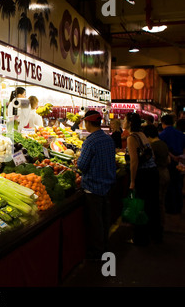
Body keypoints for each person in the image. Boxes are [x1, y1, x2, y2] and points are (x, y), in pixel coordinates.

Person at [77, 110, 117, 259]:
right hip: (107, 185)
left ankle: (97, 251)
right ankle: (105, 244)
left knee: (95, 222)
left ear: (87, 123)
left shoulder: (90, 141)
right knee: (105, 218)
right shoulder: (108, 139)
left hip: (93, 188)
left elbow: (82, 165)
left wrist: (78, 162)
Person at [123, 112, 162, 245]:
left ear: (129, 123)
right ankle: (155, 234)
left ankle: (140, 238)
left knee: (139, 207)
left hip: (143, 175)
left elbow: (134, 162)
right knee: (151, 205)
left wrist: (133, 181)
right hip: (152, 172)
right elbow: (152, 156)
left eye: (124, 119)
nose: (123, 121)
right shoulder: (142, 134)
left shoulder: (131, 138)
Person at [143, 124, 170, 230]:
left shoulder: (153, 146)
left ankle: (156, 226)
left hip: (158, 174)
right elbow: (168, 160)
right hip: (166, 172)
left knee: (156, 201)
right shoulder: (163, 144)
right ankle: (161, 224)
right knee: (161, 201)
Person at [159, 114, 185, 214]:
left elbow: (163, 149)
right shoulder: (180, 134)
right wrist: (180, 157)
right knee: (178, 184)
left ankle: (170, 208)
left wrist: (172, 156)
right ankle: (178, 207)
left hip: (169, 162)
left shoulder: (162, 135)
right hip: (180, 162)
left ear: (163, 123)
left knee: (169, 186)